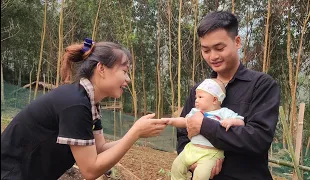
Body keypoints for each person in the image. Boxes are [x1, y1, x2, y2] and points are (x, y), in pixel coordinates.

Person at [1, 38, 169, 180]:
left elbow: (99, 148)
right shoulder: (75, 104)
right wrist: (135, 133)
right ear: (101, 69)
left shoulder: (89, 103)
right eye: (124, 71)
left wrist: (135, 133)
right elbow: (90, 170)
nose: (128, 79)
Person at [176, 11, 280, 180]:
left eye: (219, 48)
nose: (213, 56)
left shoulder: (261, 85)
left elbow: (258, 139)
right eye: (206, 50)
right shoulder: (199, 90)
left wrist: (206, 126)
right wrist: (193, 162)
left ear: (237, 41)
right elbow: (182, 134)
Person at [166, 78, 244, 180]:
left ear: (215, 99)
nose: (196, 100)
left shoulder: (224, 112)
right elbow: (185, 121)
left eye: (200, 97)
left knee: (201, 175)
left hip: (210, 153)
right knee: (176, 167)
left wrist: (231, 121)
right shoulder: (194, 111)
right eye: (196, 97)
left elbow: (241, 121)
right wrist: (170, 121)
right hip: (191, 148)